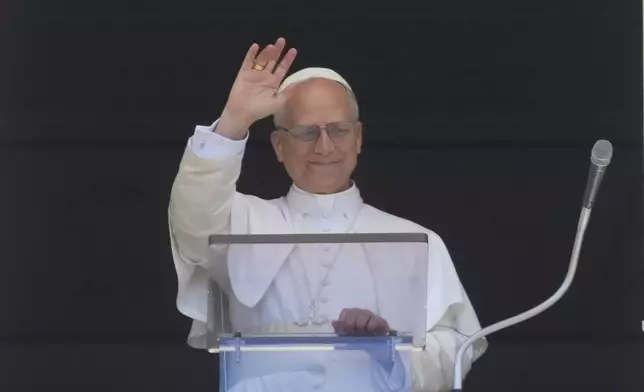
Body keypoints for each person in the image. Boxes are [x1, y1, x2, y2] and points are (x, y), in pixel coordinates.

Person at [168, 37, 487, 391]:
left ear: (359, 138)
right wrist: (233, 121)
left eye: (338, 130)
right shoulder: (242, 223)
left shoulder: (420, 241)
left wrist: (389, 350)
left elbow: (454, 350)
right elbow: (193, 222)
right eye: (306, 132)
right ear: (278, 145)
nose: (324, 146)